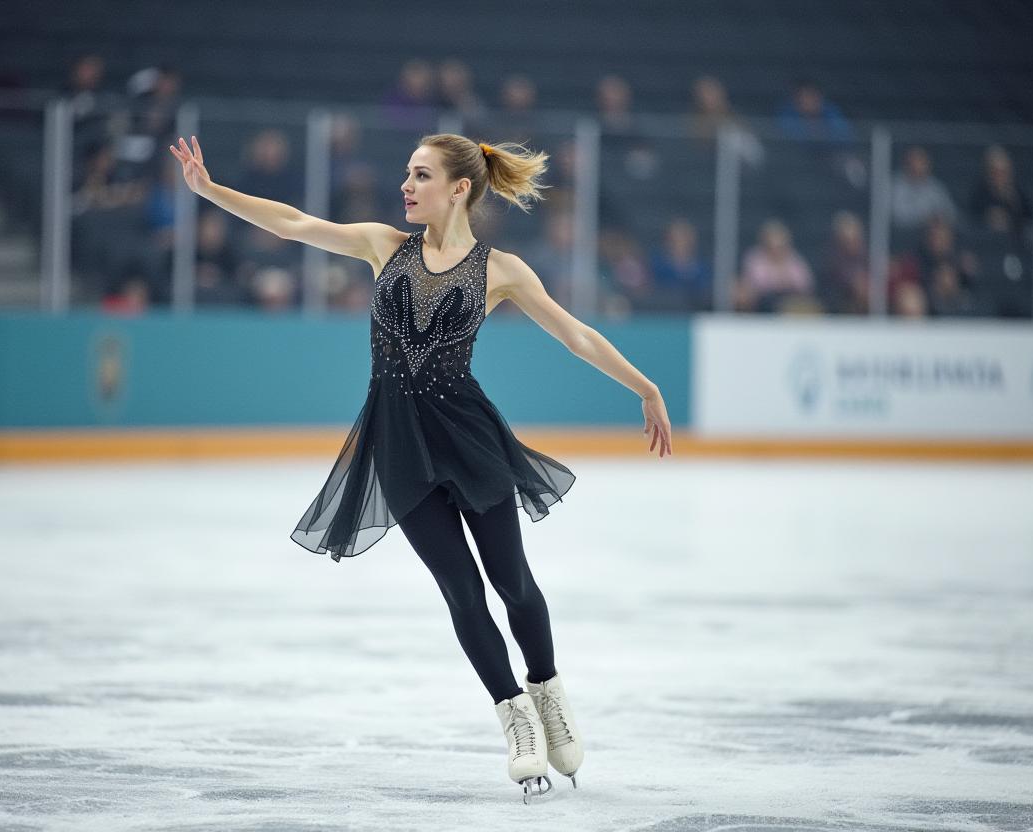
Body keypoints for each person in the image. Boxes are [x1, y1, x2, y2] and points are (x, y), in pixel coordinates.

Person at [170, 131, 674, 801]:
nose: (406, 186)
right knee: (461, 592)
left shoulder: (502, 269)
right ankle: (515, 718)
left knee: (512, 583)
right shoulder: (384, 245)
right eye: (407, 174)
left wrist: (646, 387)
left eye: (421, 175)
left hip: (469, 439)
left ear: (459, 188)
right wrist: (210, 191)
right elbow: (292, 223)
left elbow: (575, 334)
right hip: (399, 444)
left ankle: (547, 692)